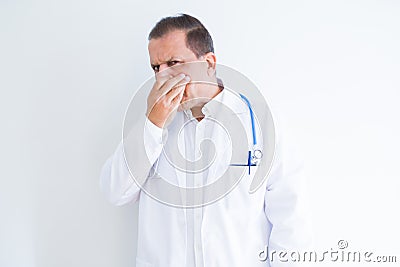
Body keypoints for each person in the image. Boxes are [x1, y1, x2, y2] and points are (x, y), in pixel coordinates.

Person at [100, 13, 312, 267]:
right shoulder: (152, 129)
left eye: (173, 63)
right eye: (156, 68)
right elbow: (115, 192)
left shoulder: (263, 124)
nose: (161, 78)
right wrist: (152, 124)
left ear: (209, 63)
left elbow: (291, 223)